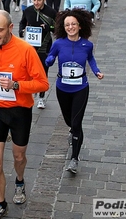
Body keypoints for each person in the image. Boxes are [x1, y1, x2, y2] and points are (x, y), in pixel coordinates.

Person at [0, 10, 49, 218]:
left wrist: (16, 85)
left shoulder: (25, 50)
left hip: (19, 111)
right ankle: (1, 203)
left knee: (19, 156)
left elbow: (43, 83)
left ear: (10, 28)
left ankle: (19, 180)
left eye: (0, 30)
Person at [45, 9, 104, 174]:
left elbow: (90, 59)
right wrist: (49, 61)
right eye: (67, 25)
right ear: (63, 27)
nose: (70, 27)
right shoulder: (58, 43)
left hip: (80, 87)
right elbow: (51, 57)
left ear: (79, 26)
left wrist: (96, 71)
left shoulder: (87, 44)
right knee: (69, 121)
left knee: (77, 123)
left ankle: (74, 159)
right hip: (62, 88)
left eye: (73, 24)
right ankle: (73, 132)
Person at [19, 0, 56, 109]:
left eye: (39, 0)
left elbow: (56, 28)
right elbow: (22, 22)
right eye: (34, 0)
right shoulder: (28, 10)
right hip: (30, 46)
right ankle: (31, 91)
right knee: (28, 70)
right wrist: (21, 30)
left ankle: (41, 97)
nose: (36, 2)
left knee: (43, 71)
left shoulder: (51, 11)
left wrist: (48, 27)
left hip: (44, 46)